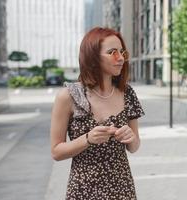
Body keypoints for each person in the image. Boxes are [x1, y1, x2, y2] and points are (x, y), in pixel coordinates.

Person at [50, 27, 144, 199]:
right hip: (83, 191)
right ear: (92, 57)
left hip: (122, 190)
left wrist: (131, 137)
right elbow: (56, 152)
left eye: (122, 52)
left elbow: (134, 147)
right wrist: (87, 139)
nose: (121, 58)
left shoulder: (127, 93)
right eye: (112, 52)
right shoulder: (68, 96)